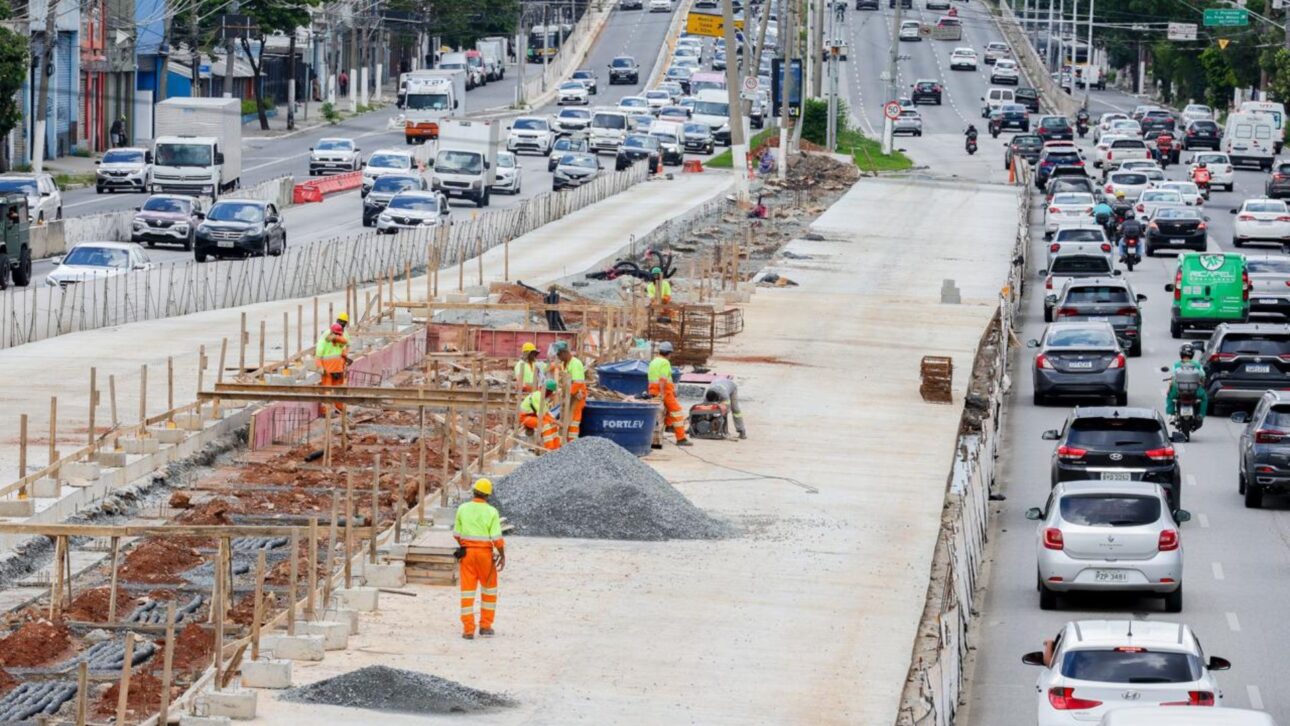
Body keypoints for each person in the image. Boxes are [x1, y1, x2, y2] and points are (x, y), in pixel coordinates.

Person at [454, 478, 505, 640]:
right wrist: (502, 555)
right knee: (489, 591)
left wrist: (465, 545)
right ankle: (485, 626)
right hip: (485, 556)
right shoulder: (492, 512)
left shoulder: (462, 509)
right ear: (488, 496)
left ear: (473, 491)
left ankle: (468, 630)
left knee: (467, 592)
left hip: (467, 554)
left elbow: (456, 534)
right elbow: (497, 538)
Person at [649, 341, 691, 447]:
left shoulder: (653, 362)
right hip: (664, 392)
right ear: (669, 353)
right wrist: (663, 394)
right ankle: (681, 438)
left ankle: (668, 426)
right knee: (677, 412)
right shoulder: (665, 363)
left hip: (653, 391)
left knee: (667, 412)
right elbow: (663, 379)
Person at [554, 341, 586, 441]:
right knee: (566, 420)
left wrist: (568, 396)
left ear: (564, 352)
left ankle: (572, 444)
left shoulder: (575, 363)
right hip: (569, 396)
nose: (558, 358)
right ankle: (565, 443)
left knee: (573, 422)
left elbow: (578, 383)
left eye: (559, 355)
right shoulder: (566, 364)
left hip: (576, 397)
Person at [314, 322, 350, 414]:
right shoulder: (323, 342)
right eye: (336, 334)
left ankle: (340, 409)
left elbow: (345, 342)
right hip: (328, 371)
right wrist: (320, 367)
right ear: (332, 333)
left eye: (339, 335)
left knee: (338, 390)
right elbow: (318, 356)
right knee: (327, 391)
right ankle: (326, 412)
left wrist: (336, 338)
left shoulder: (339, 340)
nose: (338, 336)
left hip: (338, 369)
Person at [1166, 344, 1207, 420]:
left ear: (1181, 353)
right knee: (1204, 397)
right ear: (1192, 354)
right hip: (1195, 391)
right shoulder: (1197, 364)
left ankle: (1171, 414)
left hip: (1178, 391)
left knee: (1169, 396)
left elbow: (1173, 377)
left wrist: (1169, 388)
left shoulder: (1176, 364)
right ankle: (1201, 415)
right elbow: (1202, 375)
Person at [518, 380, 562, 450]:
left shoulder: (542, 397)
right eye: (551, 392)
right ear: (548, 391)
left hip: (533, 416)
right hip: (525, 418)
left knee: (552, 424)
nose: (552, 395)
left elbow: (546, 413)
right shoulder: (538, 396)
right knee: (545, 425)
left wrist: (555, 421)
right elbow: (541, 415)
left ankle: (557, 448)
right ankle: (550, 448)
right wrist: (556, 422)